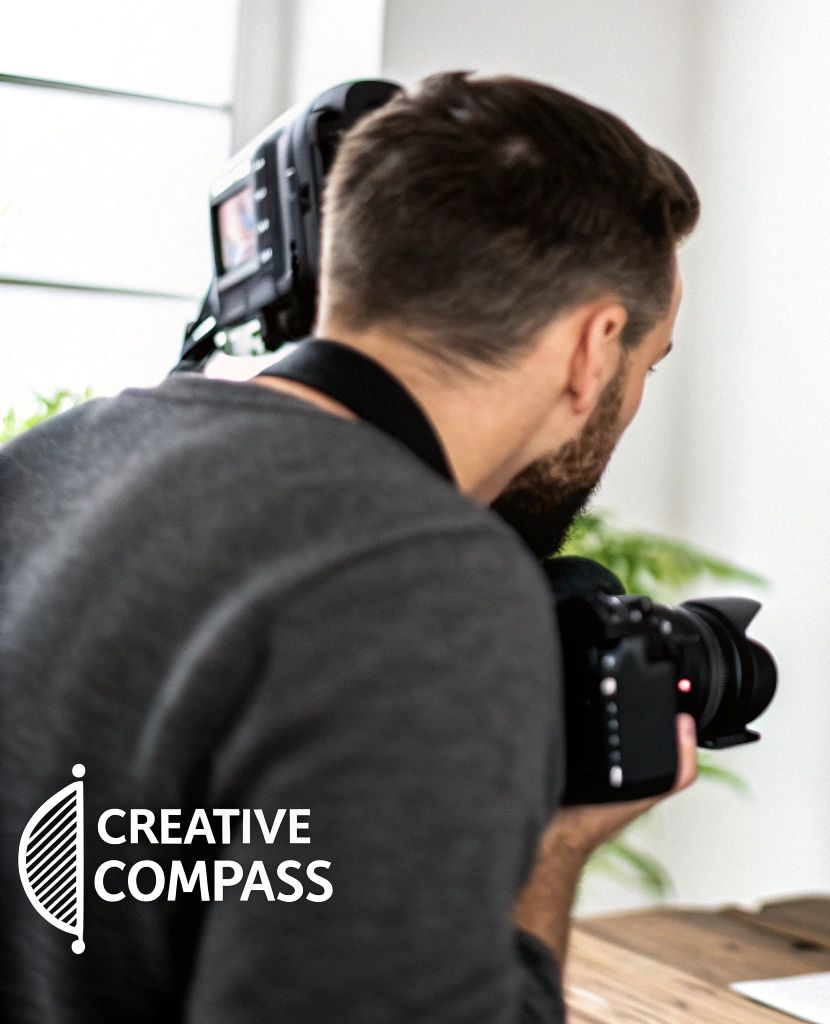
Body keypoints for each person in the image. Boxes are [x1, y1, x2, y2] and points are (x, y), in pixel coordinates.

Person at [0, 72, 699, 1021]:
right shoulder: (419, 574)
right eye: (645, 364)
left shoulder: (49, 459)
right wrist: (554, 851)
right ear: (594, 345)